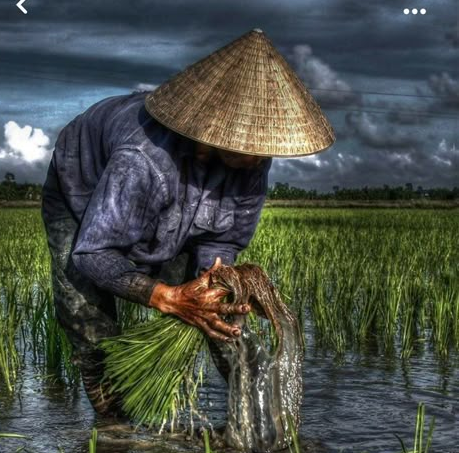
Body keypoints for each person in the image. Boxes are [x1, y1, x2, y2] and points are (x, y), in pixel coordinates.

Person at [41, 28, 334, 415]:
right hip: (81, 189)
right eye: (253, 149)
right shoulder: (142, 161)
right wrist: (167, 297)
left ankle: (249, 415)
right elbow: (93, 253)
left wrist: (215, 280)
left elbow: (221, 240)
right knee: (86, 315)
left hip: (159, 199)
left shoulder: (249, 161)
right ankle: (112, 428)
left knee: (210, 307)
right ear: (215, 137)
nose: (262, 160)